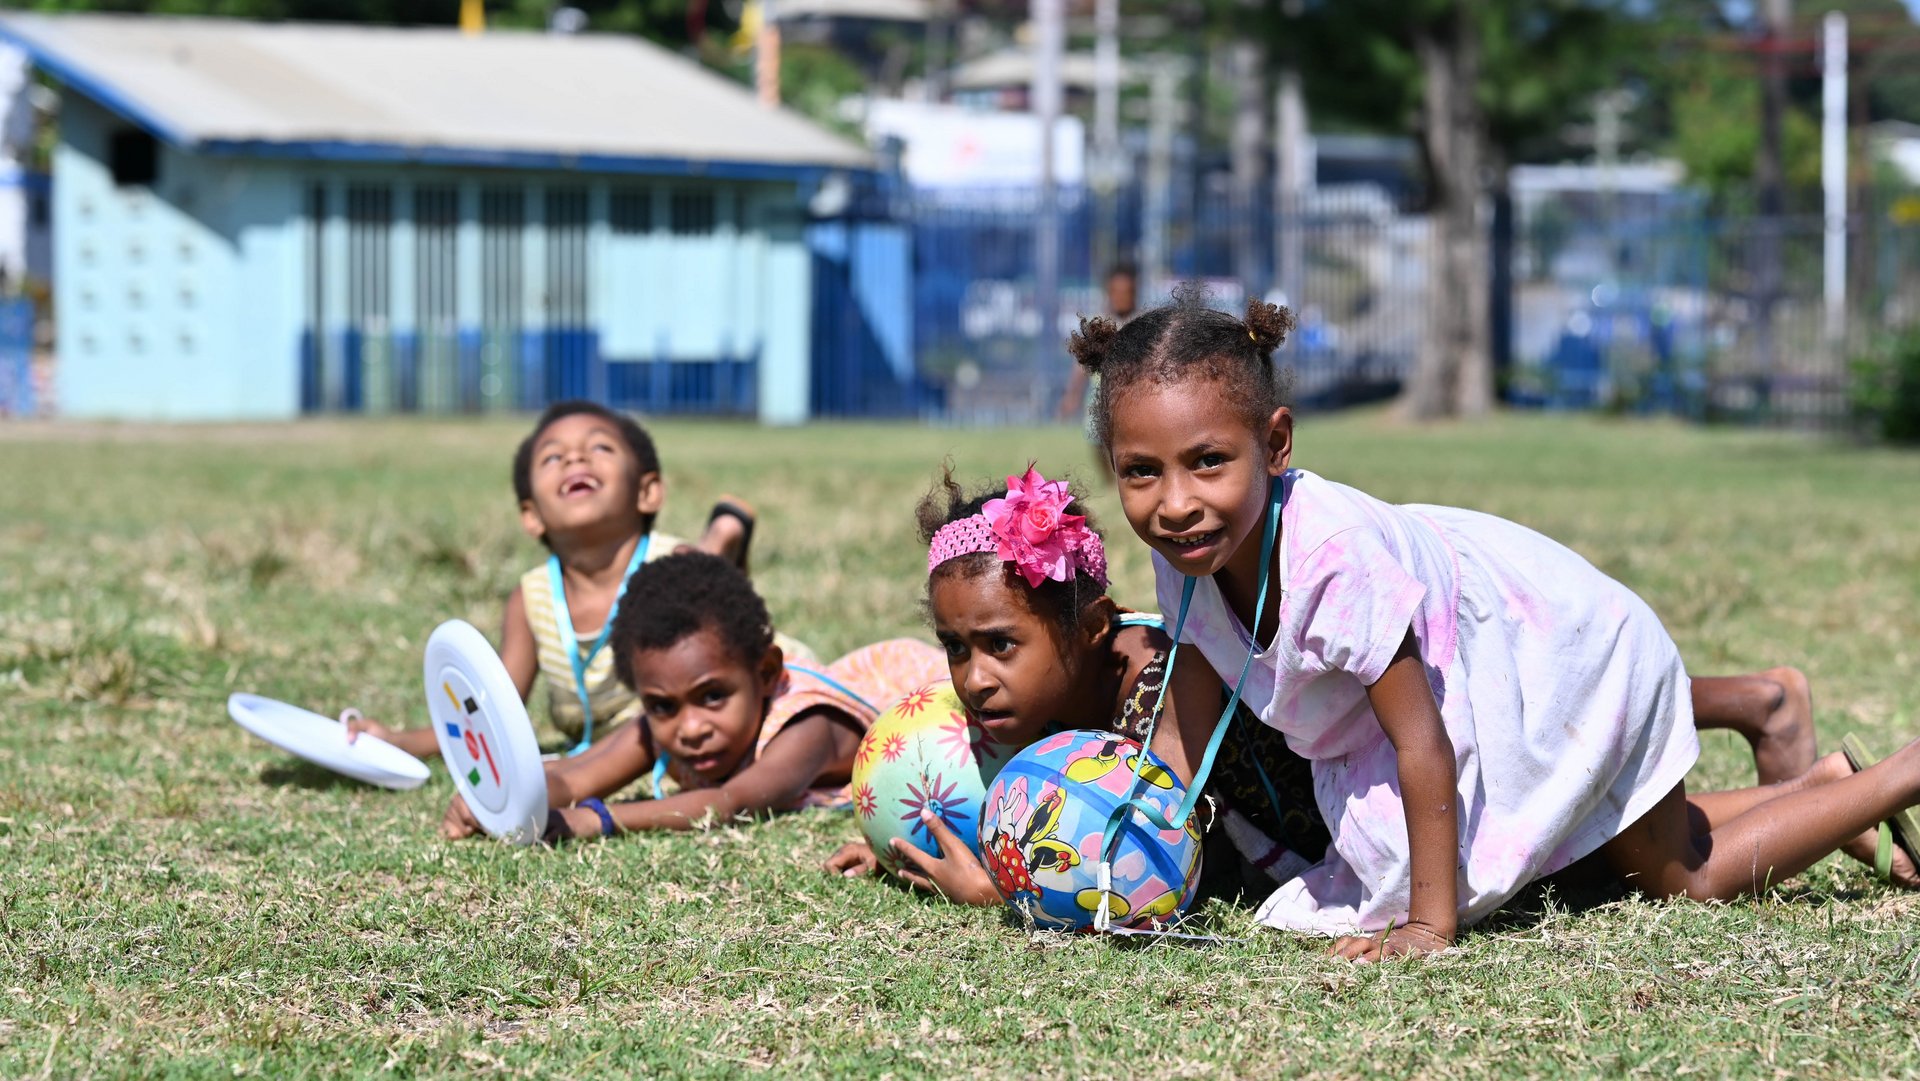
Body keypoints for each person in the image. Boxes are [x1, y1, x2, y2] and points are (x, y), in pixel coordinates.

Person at [1068, 286, 1920, 960]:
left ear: (1276, 443)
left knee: (1682, 880)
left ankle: (1895, 778)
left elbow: (1422, 743)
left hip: (1563, 659)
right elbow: (1188, 731)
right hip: (1488, 669)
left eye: (1208, 461)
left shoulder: (1331, 561)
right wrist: (1126, 843)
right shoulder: (1187, 563)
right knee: (1595, 860)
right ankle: (1820, 788)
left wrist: (1431, 926)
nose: (1176, 503)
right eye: (1141, 473)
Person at [822, 466, 1868, 906]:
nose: (971, 678)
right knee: (1596, 858)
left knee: (1644, 867)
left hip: (1416, 787)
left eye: (998, 646)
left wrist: (1001, 882)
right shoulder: (1058, 705)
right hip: (1389, 809)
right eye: (956, 651)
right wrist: (914, 817)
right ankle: (1819, 781)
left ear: (1095, 631)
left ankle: (1841, 777)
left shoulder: (1155, 694)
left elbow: (1144, 873)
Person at [346, 400, 756, 759]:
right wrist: (400, 741)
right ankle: (723, 540)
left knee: (706, 589)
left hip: (684, 729)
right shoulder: (531, 601)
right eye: (552, 458)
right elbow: (494, 710)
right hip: (610, 751)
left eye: (600, 447)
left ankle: (720, 543)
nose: (576, 458)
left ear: (647, 491)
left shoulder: (672, 566)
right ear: (531, 516)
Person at [443, 552, 947, 841]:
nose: (689, 728)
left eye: (712, 697)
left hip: (926, 708)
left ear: (767, 673)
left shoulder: (806, 726)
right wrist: (497, 799)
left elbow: (730, 802)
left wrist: (593, 819)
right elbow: (573, 776)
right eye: (662, 706)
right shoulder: (668, 724)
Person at [1058, 263, 1139, 482]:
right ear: (1109, 293)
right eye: (1117, 292)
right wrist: (1072, 395)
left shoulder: (1140, 323)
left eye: (1127, 292)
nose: (1121, 298)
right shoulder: (1101, 324)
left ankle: (1125, 477)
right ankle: (1109, 481)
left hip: (1131, 392)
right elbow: (1082, 363)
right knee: (1095, 437)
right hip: (1099, 391)